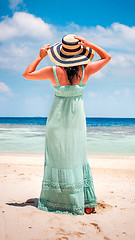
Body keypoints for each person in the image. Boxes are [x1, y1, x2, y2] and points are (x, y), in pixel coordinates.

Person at [23, 34, 111, 215]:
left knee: (57, 159)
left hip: (56, 120)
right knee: (77, 157)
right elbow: (107, 57)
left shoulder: (53, 71)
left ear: (60, 54)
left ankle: (57, 201)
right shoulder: (85, 70)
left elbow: (27, 74)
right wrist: (90, 44)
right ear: (79, 53)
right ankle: (83, 202)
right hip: (77, 121)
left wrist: (40, 56)